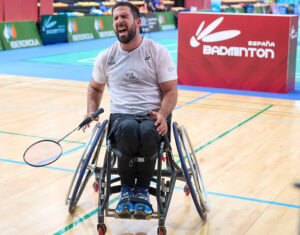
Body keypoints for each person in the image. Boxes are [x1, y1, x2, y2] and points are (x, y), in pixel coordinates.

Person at [84, 2, 178, 219]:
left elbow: (171, 91)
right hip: (121, 116)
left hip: (153, 115)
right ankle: (127, 189)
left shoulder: (157, 51)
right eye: (115, 18)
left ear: (137, 21)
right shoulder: (106, 57)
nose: (119, 21)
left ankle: (142, 191)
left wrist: (163, 114)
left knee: (147, 132)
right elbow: (94, 87)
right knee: (126, 129)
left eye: (123, 17)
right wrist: (91, 110)